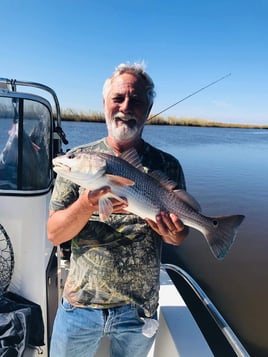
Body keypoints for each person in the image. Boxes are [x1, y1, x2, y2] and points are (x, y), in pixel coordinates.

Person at [47, 62, 189, 357]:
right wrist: (86, 203)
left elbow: (179, 236)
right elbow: (54, 234)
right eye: (118, 98)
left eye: (136, 100)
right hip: (80, 307)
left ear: (148, 109)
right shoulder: (79, 164)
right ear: (104, 105)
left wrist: (174, 234)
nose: (126, 106)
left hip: (138, 312)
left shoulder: (168, 166)